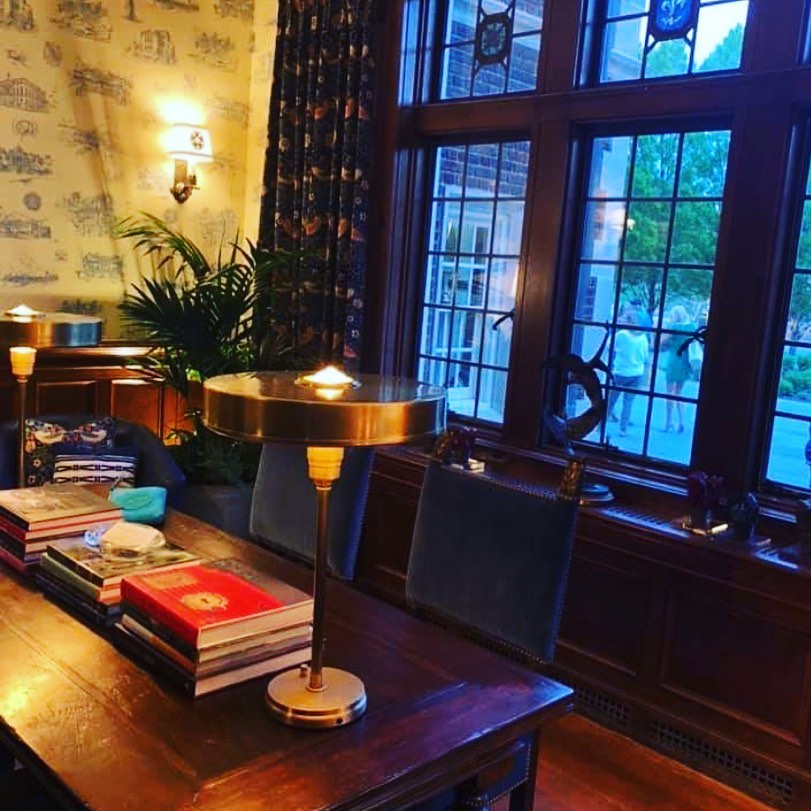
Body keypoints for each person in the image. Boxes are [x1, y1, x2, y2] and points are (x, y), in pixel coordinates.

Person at [608, 307, 649, 437]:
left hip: (620, 372)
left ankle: (599, 425)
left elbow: (609, 346)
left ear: (627, 321)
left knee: (611, 400)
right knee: (628, 402)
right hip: (636, 373)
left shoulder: (622, 335)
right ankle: (623, 429)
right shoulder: (643, 337)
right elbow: (645, 357)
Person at [661, 304, 695, 433]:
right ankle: (681, 421)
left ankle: (669, 421)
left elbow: (661, 342)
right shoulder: (692, 327)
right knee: (679, 392)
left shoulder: (674, 327)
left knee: (669, 393)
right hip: (685, 361)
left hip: (674, 359)